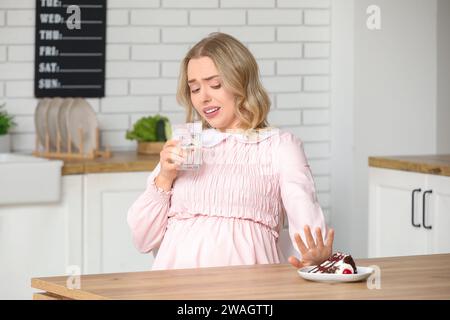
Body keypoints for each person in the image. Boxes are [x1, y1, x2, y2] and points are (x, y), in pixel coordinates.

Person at [127, 32, 334, 270]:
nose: (203, 97)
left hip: (245, 287)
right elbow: (142, 239)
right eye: (194, 89)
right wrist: (164, 177)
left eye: (215, 84)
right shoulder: (187, 143)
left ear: (242, 83)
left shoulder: (280, 146)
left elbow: (308, 231)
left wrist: (315, 258)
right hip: (175, 286)